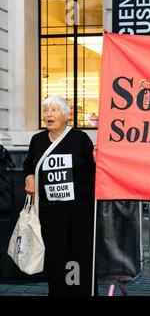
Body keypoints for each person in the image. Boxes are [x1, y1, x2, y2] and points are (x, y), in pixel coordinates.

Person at [23, 96, 97, 296]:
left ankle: (79, 293)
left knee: (79, 255)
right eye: (46, 110)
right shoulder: (37, 140)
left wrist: (98, 161)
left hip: (79, 211)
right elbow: (29, 163)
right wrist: (29, 176)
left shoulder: (80, 139)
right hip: (50, 211)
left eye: (54, 110)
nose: (49, 114)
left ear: (67, 115)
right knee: (56, 258)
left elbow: (94, 172)